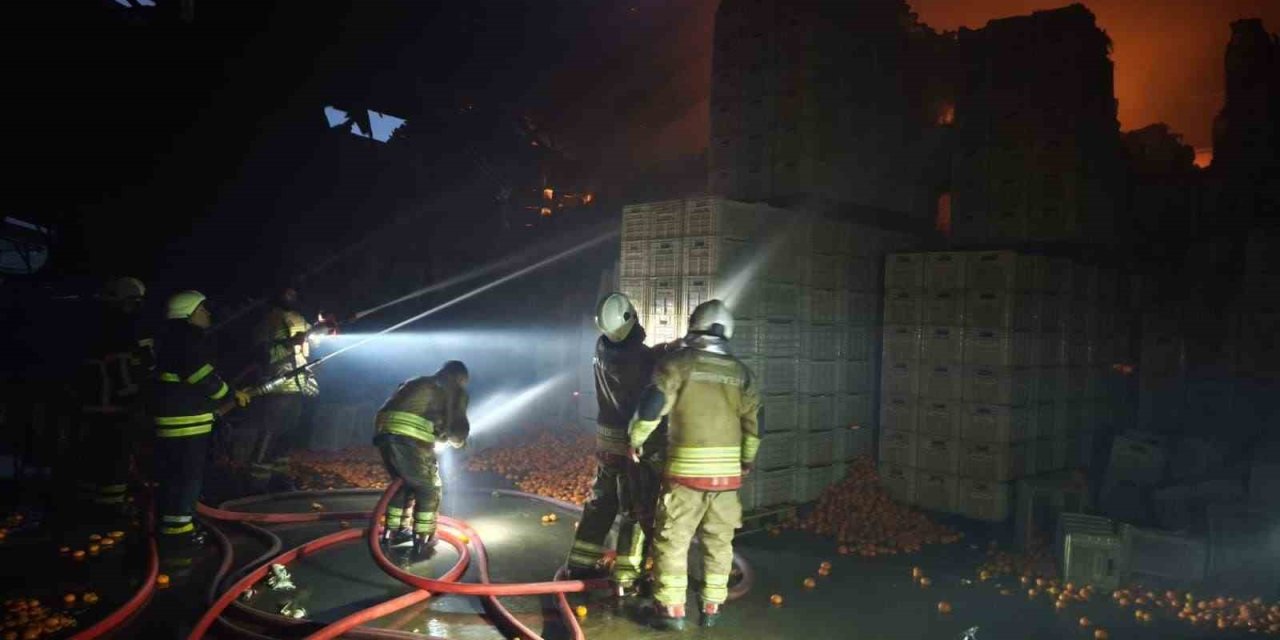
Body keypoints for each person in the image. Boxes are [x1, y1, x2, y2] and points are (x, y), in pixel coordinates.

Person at [628, 299, 761, 630]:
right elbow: (755, 426)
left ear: (693, 326)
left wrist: (635, 440)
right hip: (727, 480)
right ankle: (712, 608)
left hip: (686, 477)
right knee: (719, 542)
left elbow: (650, 408)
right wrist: (746, 461)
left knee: (672, 540)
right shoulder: (742, 374)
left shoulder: (676, 365)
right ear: (727, 331)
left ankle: (671, 611)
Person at [564, 293, 668, 596]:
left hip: (606, 438)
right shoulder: (641, 359)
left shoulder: (602, 347)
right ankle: (626, 575)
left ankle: (580, 563)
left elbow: (637, 355)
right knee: (635, 506)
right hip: (633, 441)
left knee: (602, 500)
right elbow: (651, 371)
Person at [150, 290, 250, 550]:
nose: (207, 314)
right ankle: (179, 535)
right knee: (186, 478)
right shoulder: (187, 339)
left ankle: (174, 525)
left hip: (177, 420)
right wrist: (229, 394)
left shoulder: (171, 338)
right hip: (186, 422)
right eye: (203, 309)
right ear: (189, 311)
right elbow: (201, 376)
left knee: (175, 477)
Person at [73, 277, 154, 520]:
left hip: (93, 406)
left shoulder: (95, 326)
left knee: (96, 456)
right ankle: (109, 512)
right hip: (117, 407)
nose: (138, 307)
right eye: (135, 302)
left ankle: (88, 507)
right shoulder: (125, 329)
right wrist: (140, 395)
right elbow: (132, 368)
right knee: (114, 460)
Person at [374, 361, 470, 557]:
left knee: (403, 483)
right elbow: (457, 430)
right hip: (410, 438)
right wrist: (459, 442)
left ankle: (392, 532)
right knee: (429, 487)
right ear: (460, 378)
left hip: (384, 433)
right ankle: (423, 538)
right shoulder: (454, 390)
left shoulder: (417, 382)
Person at [244, 286, 318, 492]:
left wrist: (324, 328)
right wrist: (287, 343)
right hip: (276, 385)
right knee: (270, 433)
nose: (291, 296)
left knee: (288, 435)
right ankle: (256, 483)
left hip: (297, 384)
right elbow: (259, 351)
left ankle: (280, 478)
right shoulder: (268, 320)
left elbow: (313, 340)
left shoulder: (299, 318)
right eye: (286, 292)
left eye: (294, 293)